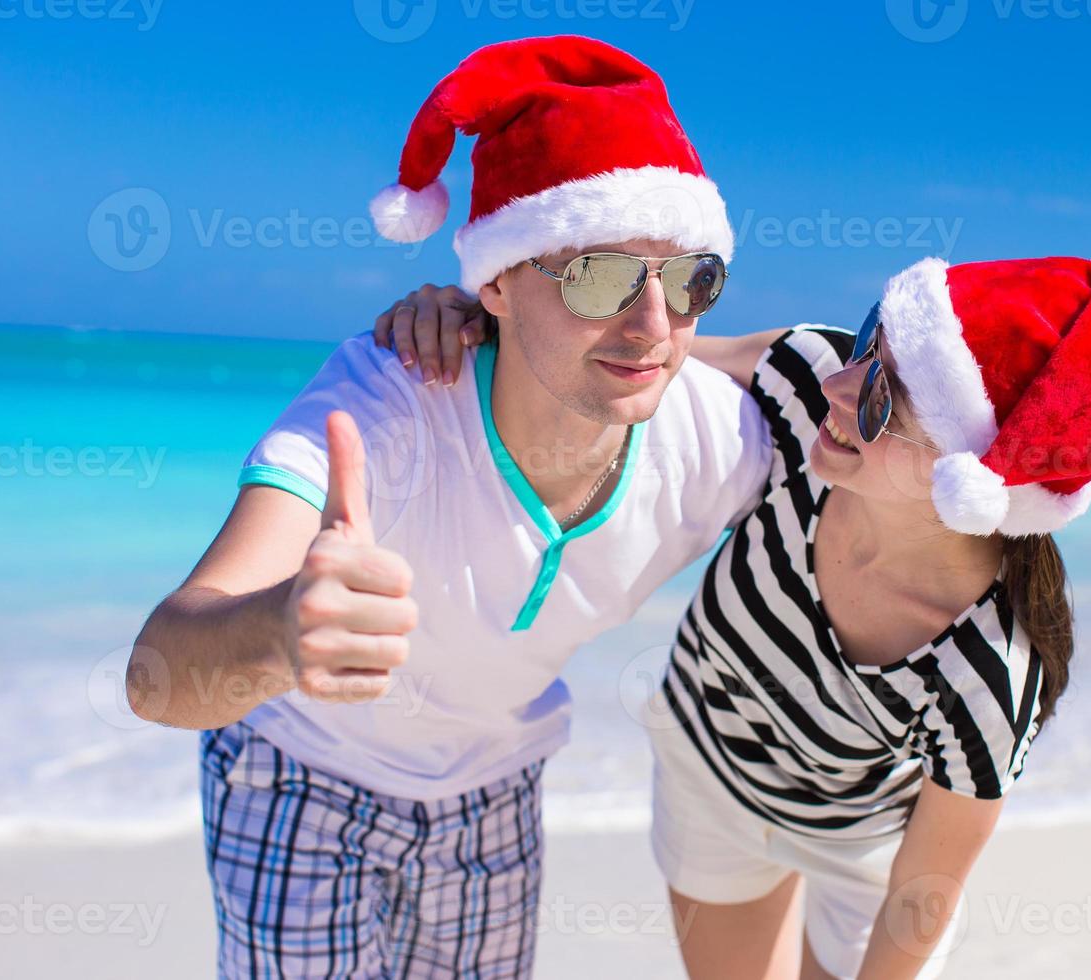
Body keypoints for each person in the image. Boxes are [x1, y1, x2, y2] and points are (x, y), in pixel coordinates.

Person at [124, 36, 772, 977]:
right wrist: (282, 633)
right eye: (597, 274)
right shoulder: (383, 405)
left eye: (689, 280)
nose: (651, 325)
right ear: (498, 284)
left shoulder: (718, 438)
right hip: (302, 772)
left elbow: (885, 383)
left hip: (495, 789)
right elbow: (156, 674)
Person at [381, 256, 1091, 978]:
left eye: (882, 398)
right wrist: (487, 317)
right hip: (710, 775)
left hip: (863, 848)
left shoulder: (987, 671)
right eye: (870, 341)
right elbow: (635, 369)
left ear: (967, 482)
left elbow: (921, 891)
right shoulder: (809, 385)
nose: (842, 382)